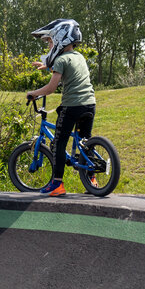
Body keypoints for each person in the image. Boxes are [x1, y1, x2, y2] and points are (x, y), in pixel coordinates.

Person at [24, 19, 96, 196]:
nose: (48, 45)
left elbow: (51, 88)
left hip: (72, 106)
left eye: (50, 41)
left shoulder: (61, 60)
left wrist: (33, 93)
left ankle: (57, 184)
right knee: (85, 141)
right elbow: (68, 69)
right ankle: (92, 179)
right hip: (90, 104)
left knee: (58, 143)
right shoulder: (79, 57)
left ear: (60, 39)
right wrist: (47, 66)